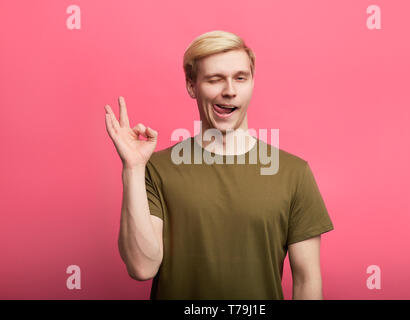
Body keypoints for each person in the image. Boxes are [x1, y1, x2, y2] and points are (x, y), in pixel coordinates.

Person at [104, 30, 334, 300]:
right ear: (192, 85)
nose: (229, 91)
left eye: (240, 78)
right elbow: (142, 267)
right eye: (215, 80)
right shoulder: (154, 169)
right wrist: (132, 168)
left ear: (252, 82)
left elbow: (307, 283)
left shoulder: (294, 174)